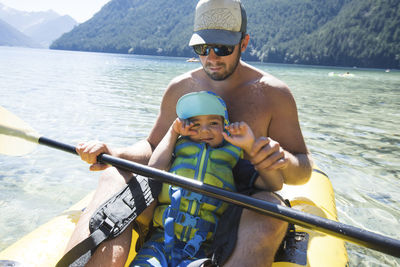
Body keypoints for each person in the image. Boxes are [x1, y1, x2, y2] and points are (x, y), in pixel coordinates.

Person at [66, 0, 313, 266]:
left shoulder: (273, 94)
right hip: (174, 201)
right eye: (202, 47)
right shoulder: (180, 88)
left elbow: (304, 168)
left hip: (239, 206)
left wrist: (283, 160)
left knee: (268, 208)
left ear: (244, 43)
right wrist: (114, 152)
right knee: (114, 175)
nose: (211, 57)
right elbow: (153, 145)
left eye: (222, 47)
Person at [131, 91, 283, 266]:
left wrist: (250, 146)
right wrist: (173, 132)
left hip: (202, 249)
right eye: (195, 124)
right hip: (160, 242)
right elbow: (154, 170)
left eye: (213, 123)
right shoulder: (176, 152)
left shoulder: (233, 163)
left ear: (225, 126)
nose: (204, 130)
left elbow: (275, 183)